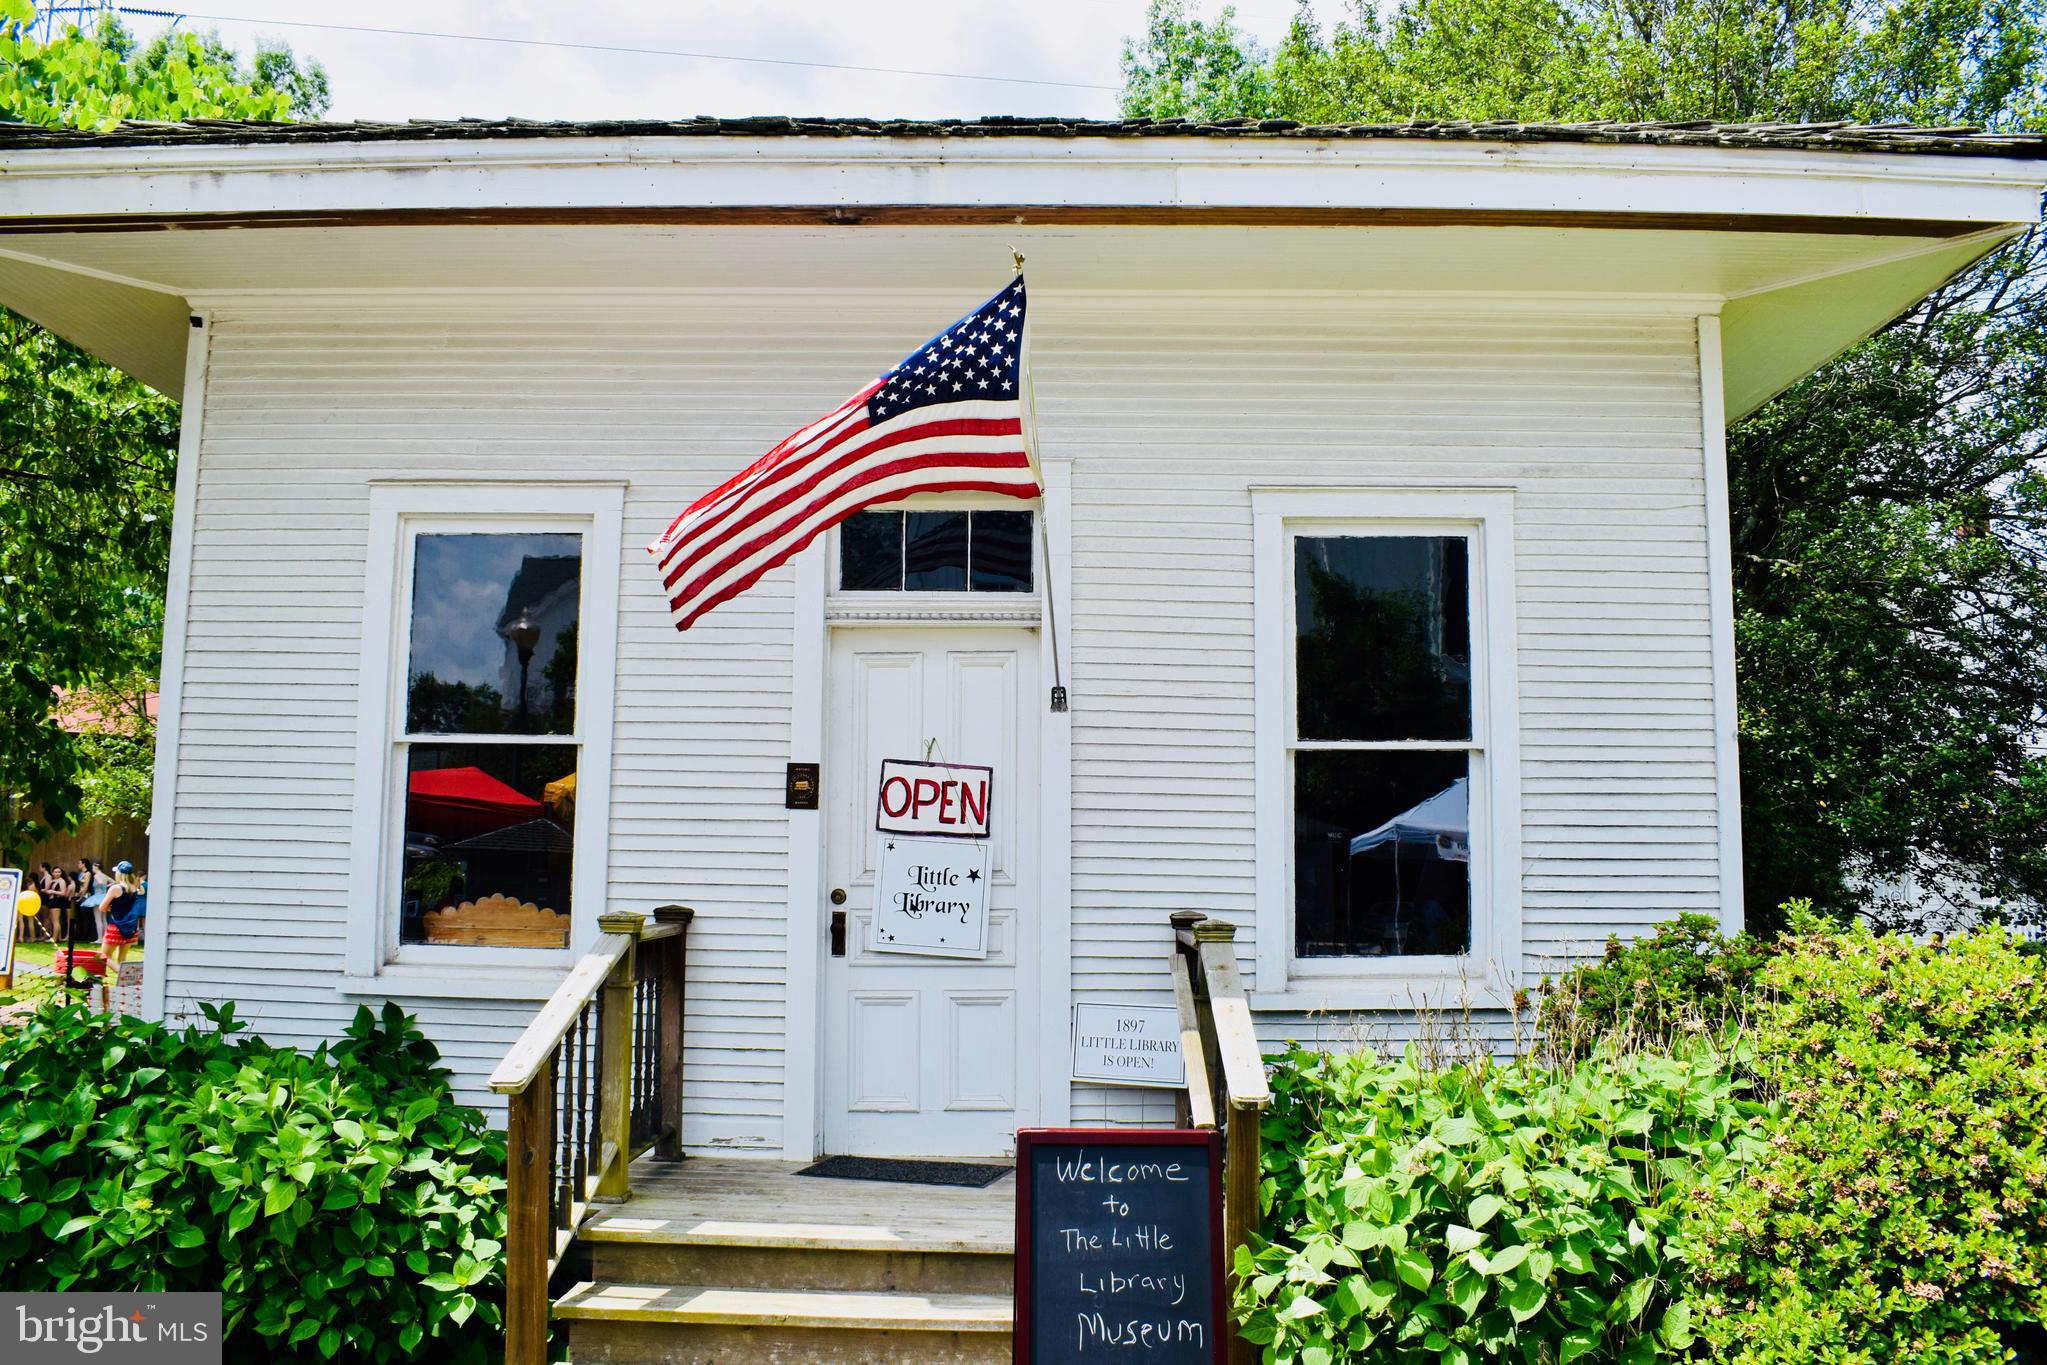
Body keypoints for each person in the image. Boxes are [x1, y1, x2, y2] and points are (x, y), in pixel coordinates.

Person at [100, 862, 144, 1003]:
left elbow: (102, 907)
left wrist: (112, 909)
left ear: (119, 873)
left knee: (103, 956)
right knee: (122, 958)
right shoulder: (137, 888)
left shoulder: (115, 888)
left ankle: (124, 975)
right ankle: (124, 989)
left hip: (116, 927)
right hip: (131, 928)